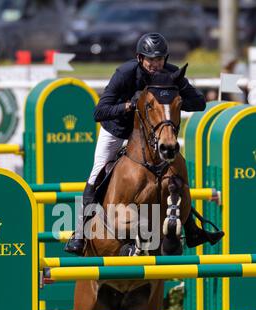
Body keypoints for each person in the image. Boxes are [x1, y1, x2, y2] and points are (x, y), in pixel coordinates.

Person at [65, 32, 223, 255]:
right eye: (151, 59)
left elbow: (198, 103)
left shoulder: (170, 74)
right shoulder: (125, 74)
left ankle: (191, 228)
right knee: (96, 173)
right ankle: (80, 233)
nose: (156, 64)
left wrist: (173, 100)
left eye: (160, 59)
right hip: (118, 130)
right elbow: (99, 111)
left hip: (151, 133)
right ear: (140, 58)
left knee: (174, 172)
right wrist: (128, 107)